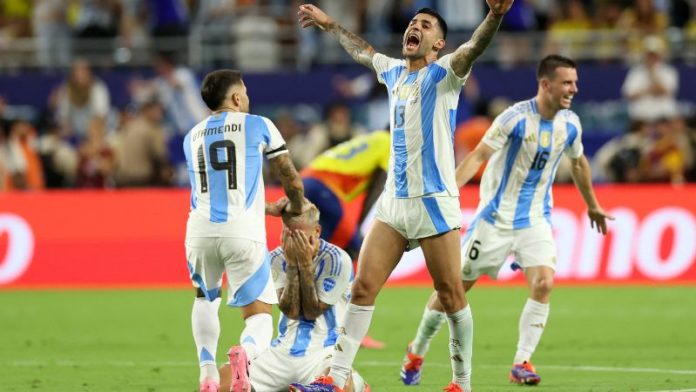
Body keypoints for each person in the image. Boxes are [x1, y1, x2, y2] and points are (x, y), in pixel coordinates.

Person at [291, 2, 513, 392]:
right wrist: (330, 25)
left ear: (438, 43)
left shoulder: (446, 74)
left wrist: (493, 16)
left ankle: (462, 382)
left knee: (451, 294)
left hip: (434, 204)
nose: (415, 27)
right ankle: (335, 377)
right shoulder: (393, 71)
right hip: (394, 204)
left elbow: (474, 47)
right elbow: (362, 50)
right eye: (413, 22)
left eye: (425, 25)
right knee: (362, 288)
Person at [400, 55, 615, 387]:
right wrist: (448, 193)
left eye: (575, 82)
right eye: (567, 82)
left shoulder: (570, 123)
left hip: (535, 220)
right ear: (546, 84)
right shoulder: (513, 119)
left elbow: (578, 162)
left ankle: (522, 361)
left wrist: (593, 205)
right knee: (452, 291)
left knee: (544, 282)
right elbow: (478, 157)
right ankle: (417, 349)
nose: (574, 88)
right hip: (495, 220)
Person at [183, 69, 307, 392]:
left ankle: (208, 375)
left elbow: (215, 189)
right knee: (260, 318)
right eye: (246, 92)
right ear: (237, 98)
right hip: (243, 234)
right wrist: (295, 207)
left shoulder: (191, 136)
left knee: (205, 299)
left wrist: (266, 208)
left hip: (198, 232)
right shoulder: (259, 124)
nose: (248, 98)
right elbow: (290, 177)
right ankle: (246, 355)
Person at [218, 204, 371, 392]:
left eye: (299, 236)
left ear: (316, 231)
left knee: (336, 381)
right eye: (288, 234)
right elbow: (290, 310)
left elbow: (312, 311)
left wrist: (305, 265)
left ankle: (353, 383)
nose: (293, 242)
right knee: (220, 382)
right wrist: (292, 264)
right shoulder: (276, 258)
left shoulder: (337, 259)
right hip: (282, 351)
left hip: (324, 351)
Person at [303, 130, 391, 350]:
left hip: (306, 181)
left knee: (320, 256)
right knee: (353, 251)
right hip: (324, 189)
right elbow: (378, 187)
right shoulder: (391, 144)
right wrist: (360, 226)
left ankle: (313, 325)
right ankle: (352, 331)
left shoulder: (374, 138)